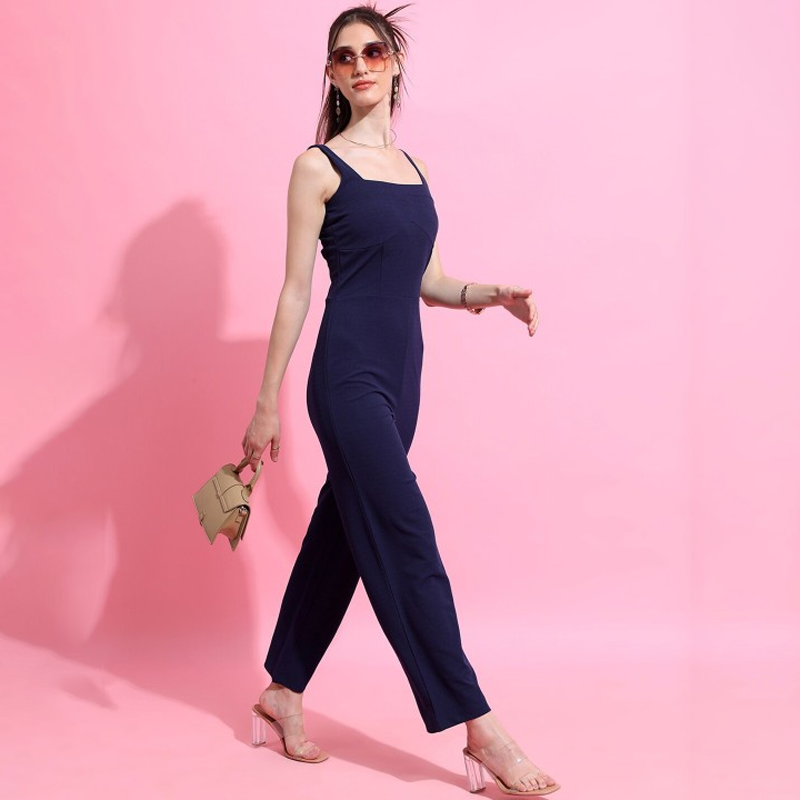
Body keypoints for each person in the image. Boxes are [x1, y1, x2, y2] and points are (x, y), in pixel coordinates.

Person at [241, 3, 559, 795]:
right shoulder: (318, 166)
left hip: (402, 378)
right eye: (343, 56)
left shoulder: (414, 169)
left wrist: (492, 293)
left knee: (342, 536)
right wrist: (266, 402)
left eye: (373, 51)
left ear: (396, 62)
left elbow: (429, 281)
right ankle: (479, 727)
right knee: (406, 535)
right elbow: (294, 291)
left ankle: (282, 690)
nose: (359, 65)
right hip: (346, 377)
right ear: (331, 73)